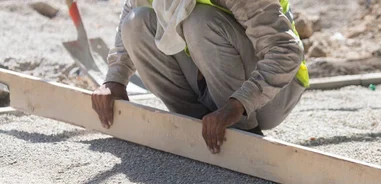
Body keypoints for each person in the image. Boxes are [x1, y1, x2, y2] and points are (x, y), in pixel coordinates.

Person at [91, 0, 309, 154]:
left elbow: (284, 50)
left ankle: (243, 131)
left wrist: (239, 103)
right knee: (136, 22)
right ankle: (197, 127)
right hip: (211, 84)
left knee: (200, 20)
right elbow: (132, 10)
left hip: (272, 97)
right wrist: (115, 79)